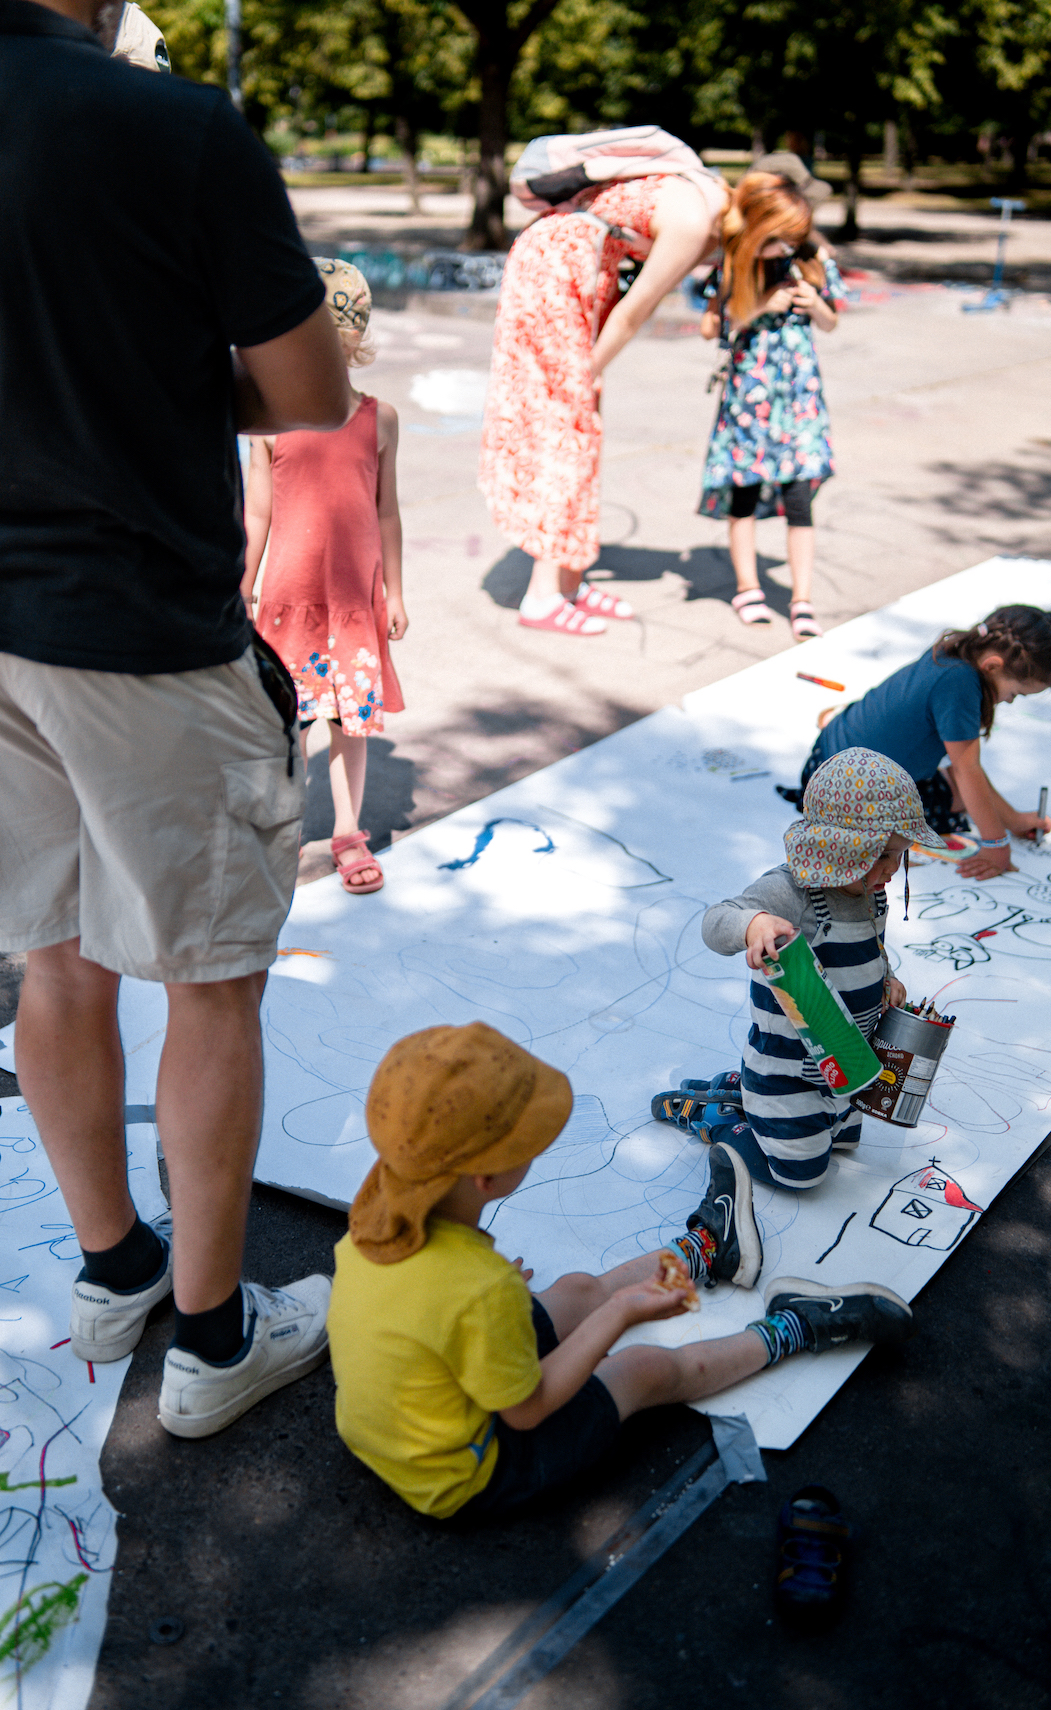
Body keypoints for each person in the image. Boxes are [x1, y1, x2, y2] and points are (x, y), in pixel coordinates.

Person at [0, 0, 353, 1437]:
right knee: (210, 984)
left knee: (52, 958)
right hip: (137, 623)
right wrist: (150, 371)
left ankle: (114, 1271)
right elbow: (312, 390)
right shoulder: (173, 123)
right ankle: (211, 1341)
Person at [326, 1022, 916, 1519]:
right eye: (531, 1140)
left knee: (572, 1291)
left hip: (402, 1429)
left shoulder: (378, 1223)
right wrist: (618, 1313)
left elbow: (435, 1304)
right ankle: (794, 1328)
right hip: (473, 1470)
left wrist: (494, 1299)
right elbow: (526, 1411)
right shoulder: (480, 1289)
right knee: (642, 1369)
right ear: (486, 1177)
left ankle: (709, 1250)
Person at [653, 751, 945, 1192]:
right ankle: (717, 1118)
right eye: (882, 855)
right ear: (839, 846)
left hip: (846, 1064)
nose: (890, 869)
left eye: (900, 856)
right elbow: (716, 921)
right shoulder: (793, 891)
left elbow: (871, 947)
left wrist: (887, 979)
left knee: (843, 1142)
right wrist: (753, 924)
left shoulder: (870, 891)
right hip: (788, 1069)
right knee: (802, 1174)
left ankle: (740, 1093)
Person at [480, 161, 729, 636]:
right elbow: (633, 315)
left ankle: (570, 580)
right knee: (567, 433)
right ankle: (542, 597)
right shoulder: (696, 225)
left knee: (583, 429)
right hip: (556, 272)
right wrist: (582, 376)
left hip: (571, 268)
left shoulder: (703, 188)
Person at [242, 259, 407, 896]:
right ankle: (279, 830)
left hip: (353, 603)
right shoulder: (268, 423)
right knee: (288, 724)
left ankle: (346, 832)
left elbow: (386, 510)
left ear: (353, 346)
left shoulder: (379, 419)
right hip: (290, 602)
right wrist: (243, 581)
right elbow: (258, 512)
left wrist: (396, 591)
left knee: (349, 723)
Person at [780, 605, 1051, 881]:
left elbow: (965, 769)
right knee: (942, 805)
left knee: (960, 792)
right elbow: (967, 770)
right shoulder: (961, 686)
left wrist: (1013, 820)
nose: (1009, 701)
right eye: (1015, 694)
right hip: (842, 795)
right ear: (992, 666)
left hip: (824, 763)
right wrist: (996, 846)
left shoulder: (955, 650)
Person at [698, 174, 844, 639]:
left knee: (799, 499)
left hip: (799, 401)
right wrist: (761, 305)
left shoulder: (811, 259)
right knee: (743, 492)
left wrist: (814, 303)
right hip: (749, 401)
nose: (787, 247)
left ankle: (802, 598)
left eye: (793, 237)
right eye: (779, 237)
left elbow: (832, 321)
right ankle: (747, 587)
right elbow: (711, 327)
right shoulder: (734, 264)